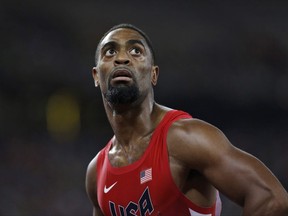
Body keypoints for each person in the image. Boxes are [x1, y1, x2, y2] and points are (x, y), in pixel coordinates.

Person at [85, 23, 288, 216]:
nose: (122, 58)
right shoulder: (96, 173)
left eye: (136, 51)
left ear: (154, 74)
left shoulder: (184, 138)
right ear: (96, 76)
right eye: (110, 52)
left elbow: (270, 199)